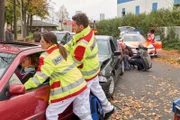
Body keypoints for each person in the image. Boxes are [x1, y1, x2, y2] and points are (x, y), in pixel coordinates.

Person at [24, 32, 92, 120]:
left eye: (42, 42)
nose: (40, 43)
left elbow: (39, 79)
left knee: (51, 113)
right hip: (80, 84)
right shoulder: (62, 49)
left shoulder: (46, 57)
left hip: (68, 88)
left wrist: (24, 86)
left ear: (49, 43)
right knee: (80, 110)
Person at [64, 13, 114, 120]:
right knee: (97, 89)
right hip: (93, 70)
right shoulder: (88, 32)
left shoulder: (82, 44)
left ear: (81, 27)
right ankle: (108, 108)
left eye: (74, 25)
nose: (73, 27)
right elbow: (71, 43)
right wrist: (60, 49)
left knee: (80, 106)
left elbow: (73, 64)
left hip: (85, 75)